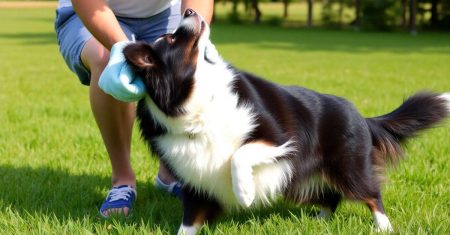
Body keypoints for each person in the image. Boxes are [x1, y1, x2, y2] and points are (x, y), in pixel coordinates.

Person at [54, 0, 214, 218]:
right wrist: (126, 51)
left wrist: (194, 37)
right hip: (87, 12)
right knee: (108, 59)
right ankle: (122, 179)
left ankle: (171, 173)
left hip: (164, 14)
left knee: (184, 64)